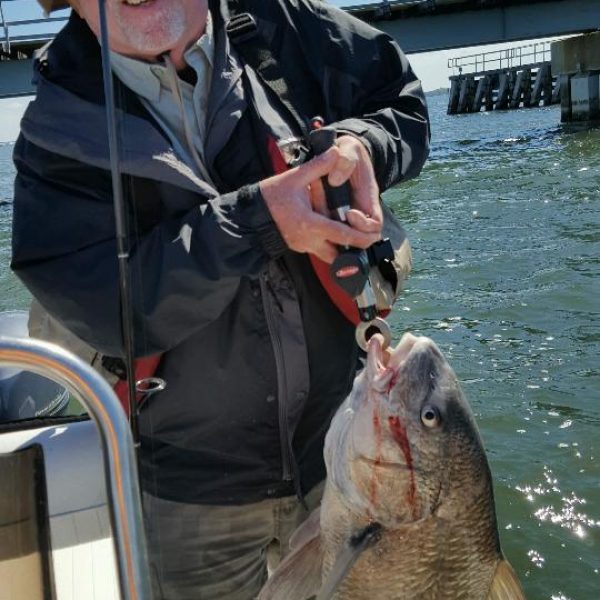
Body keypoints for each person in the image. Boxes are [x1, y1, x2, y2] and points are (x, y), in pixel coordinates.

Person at [11, 0, 430, 598]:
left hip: (344, 451)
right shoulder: (54, 134)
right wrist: (258, 222)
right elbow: (102, 306)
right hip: (187, 493)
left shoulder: (287, 26)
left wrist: (366, 144)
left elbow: (405, 102)